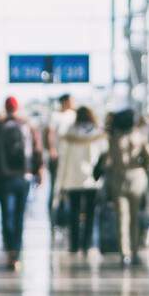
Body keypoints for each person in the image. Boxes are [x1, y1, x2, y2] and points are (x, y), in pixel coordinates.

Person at [0, 96, 41, 270]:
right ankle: (16, 253)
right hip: (24, 177)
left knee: (6, 215)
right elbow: (37, 150)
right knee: (19, 216)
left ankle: (10, 251)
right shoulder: (27, 126)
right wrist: (38, 169)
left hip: (3, 177)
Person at [103, 108, 149, 266]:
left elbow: (107, 161)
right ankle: (134, 251)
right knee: (135, 217)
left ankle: (124, 253)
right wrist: (144, 168)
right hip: (137, 178)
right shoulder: (140, 137)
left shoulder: (113, 138)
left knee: (122, 217)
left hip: (117, 178)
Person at [54, 106, 105, 257]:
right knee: (90, 214)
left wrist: (61, 183)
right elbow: (104, 157)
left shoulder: (69, 134)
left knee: (74, 213)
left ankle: (74, 245)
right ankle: (87, 245)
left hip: (73, 180)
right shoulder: (98, 134)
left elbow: (64, 160)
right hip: (93, 181)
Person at [47, 94, 77, 226]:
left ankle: (67, 215)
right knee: (56, 186)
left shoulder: (75, 115)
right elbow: (51, 133)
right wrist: (52, 149)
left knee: (70, 186)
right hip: (59, 156)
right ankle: (54, 215)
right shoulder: (55, 116)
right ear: (65, 102)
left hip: (72, 157)